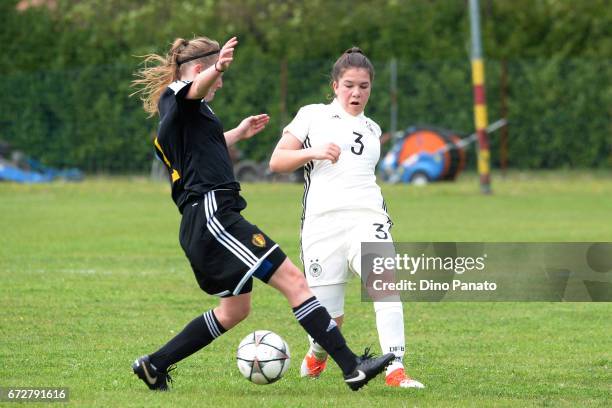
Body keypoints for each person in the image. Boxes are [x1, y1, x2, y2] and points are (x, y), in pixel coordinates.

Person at [129, 36, 394, 392]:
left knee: (234, 311)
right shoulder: (177, 95)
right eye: (216, 75)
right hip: (215, 215)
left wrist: (237, 133)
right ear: (196, 70)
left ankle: (155, 364)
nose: (220, 83)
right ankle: (352, 366)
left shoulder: (187, 113)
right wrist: (218, 66)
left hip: (205, 218)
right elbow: (195, 89)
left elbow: (201, 149)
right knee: (294, 281)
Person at [269, 47, 424, 389]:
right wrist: (313, 151)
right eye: (350, 85)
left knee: (385, 288)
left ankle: (395, 368)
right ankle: (318, 352)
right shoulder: (312, 115)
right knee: (329, 318)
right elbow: (277, 162)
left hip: (367, 219)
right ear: (336, 85)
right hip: (322, 226)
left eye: (364, 86)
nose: (357, 93)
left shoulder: (372, 129)